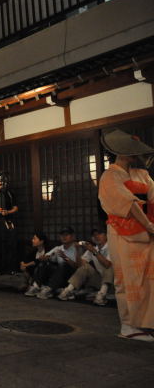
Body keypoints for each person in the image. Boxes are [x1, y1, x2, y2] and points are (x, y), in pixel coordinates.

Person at [98, 129, 154, 341]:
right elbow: (127, 203)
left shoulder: (144, 175)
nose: (135, 155)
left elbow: (152, 200)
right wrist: (148, 224)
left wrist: (150, 225)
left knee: (148, 279)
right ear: (121, 153)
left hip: (146, 234)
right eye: (131, 151)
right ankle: (129, 326)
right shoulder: (109, 176)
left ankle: (147, 323)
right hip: (123, 233)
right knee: (127, 278)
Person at [58, 228, 114, 305]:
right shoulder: (93, 248)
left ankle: (101, 295)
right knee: (85, 267)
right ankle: (67, 291)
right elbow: (79, 265)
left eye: (99, 234)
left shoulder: (111, 247)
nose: (96, 237)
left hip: (113, 282)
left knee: (110, 266)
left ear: (106, 235)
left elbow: (107, 264)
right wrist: (77, 250)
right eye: (94, 235)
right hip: (99, 280)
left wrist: (94, 251)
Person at [34, 227, 81, 300]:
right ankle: (36, 286)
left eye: (66, 235)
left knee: (64, 264)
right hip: (60, 276)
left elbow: (77, 266)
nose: (64, 237)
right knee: (45, 264)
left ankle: (50, 288)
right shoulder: (58, 248)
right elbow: (47, 256)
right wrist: (44, 258)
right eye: (62, 235)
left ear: (72, 236)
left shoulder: (77, 247)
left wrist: (65, 257)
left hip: (72, 277)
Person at [22, 232, 50, 296]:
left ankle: (36, 286)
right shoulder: (34, 251)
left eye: (34, 239)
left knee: (39, 266)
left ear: (41, 241)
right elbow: (25, 259)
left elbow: (37, 261)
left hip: (45, 276)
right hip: (33, 275)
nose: (32, 240)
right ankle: (30, 284)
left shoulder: (48, 250)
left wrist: (26, 265)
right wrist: (22, 264)